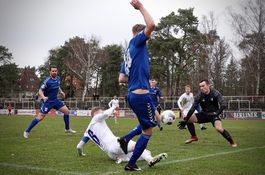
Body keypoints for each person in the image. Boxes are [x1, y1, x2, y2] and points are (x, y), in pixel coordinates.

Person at [118, 0, 160, 171]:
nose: (148, 40)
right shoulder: (137, 42)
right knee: (148, 131)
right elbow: (152, 24)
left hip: (133, 95)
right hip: (141, 95)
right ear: (140, 34)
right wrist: (141, 7)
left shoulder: (128, 52)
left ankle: (126, 139)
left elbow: (121, 78)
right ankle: (131, 163)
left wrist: (136, 78)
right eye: (147, 37)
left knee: (150, 122)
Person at [76, 106, 167, 167]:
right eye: (101, 112)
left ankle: (123, 159)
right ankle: (150, 160)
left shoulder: (87, 131)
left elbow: (79, 147)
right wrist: (113, 107)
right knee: (139, 147)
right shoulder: (95, 118)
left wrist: (81, 154)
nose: (102, 113)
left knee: (144, 152)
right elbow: (105, 114)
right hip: (116, 144)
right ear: (95, 115)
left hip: (110, 154)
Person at [178, 79, 237, 147]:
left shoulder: (215, 93)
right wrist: (185, 120)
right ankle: (194, 137)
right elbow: (192, 108)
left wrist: (217, 113)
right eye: (200, 86)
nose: (201, 88)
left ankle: (231, 142)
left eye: (203, 86)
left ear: (208, 85)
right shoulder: (199, 95)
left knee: (219, 128)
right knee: (188, 120)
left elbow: (223, 104)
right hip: (204, 114)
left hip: (214, 115)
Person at [23, 65, 76, 138]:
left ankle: (67, 129)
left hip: (55, 100)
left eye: (55, 71)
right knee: (40, 117)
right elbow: (40, 90)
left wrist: (61, 91)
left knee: (66, 111)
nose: (54, 72)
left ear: (57, 72)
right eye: (53, 71)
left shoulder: (58, 78)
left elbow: (58, 85)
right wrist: (43, 97)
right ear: (50, 72)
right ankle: (27, 131)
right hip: (48, 102)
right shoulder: (47, 81)